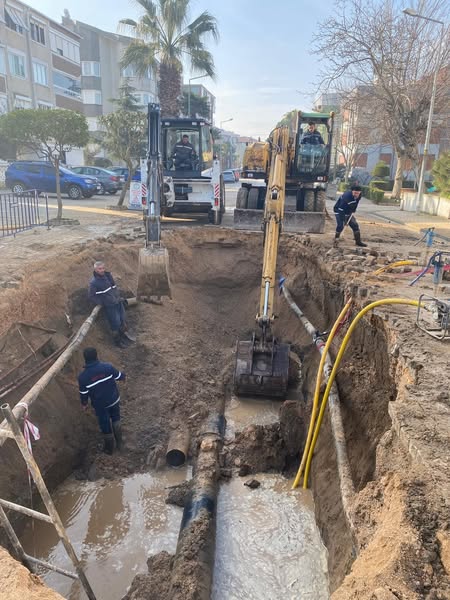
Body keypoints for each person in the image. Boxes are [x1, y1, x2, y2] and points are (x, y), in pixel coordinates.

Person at [78, 347, 125, 454]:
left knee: (104, 423)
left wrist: (84, 404)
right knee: (116, 419)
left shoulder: (83, 377)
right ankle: (120, 443)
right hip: (114, 400)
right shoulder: (107, 367)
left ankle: (109, 448)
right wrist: (124, 377)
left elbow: (83, 394)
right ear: (96, 356)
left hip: (100, 406)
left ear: (85, 359)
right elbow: (119, 376)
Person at [88, 261, 132, 348]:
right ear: (95, 270)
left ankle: (123, 335)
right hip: (110, 306)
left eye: (103, 268)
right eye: (99, 269)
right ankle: (117, 341)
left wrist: (118, 297)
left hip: (117, 301)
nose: (102, 270)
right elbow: (91, 296)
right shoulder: (94, 283)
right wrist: (103, 302)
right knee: (115, 323)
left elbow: (114, 287)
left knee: (122, 318)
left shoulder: (108, 276)